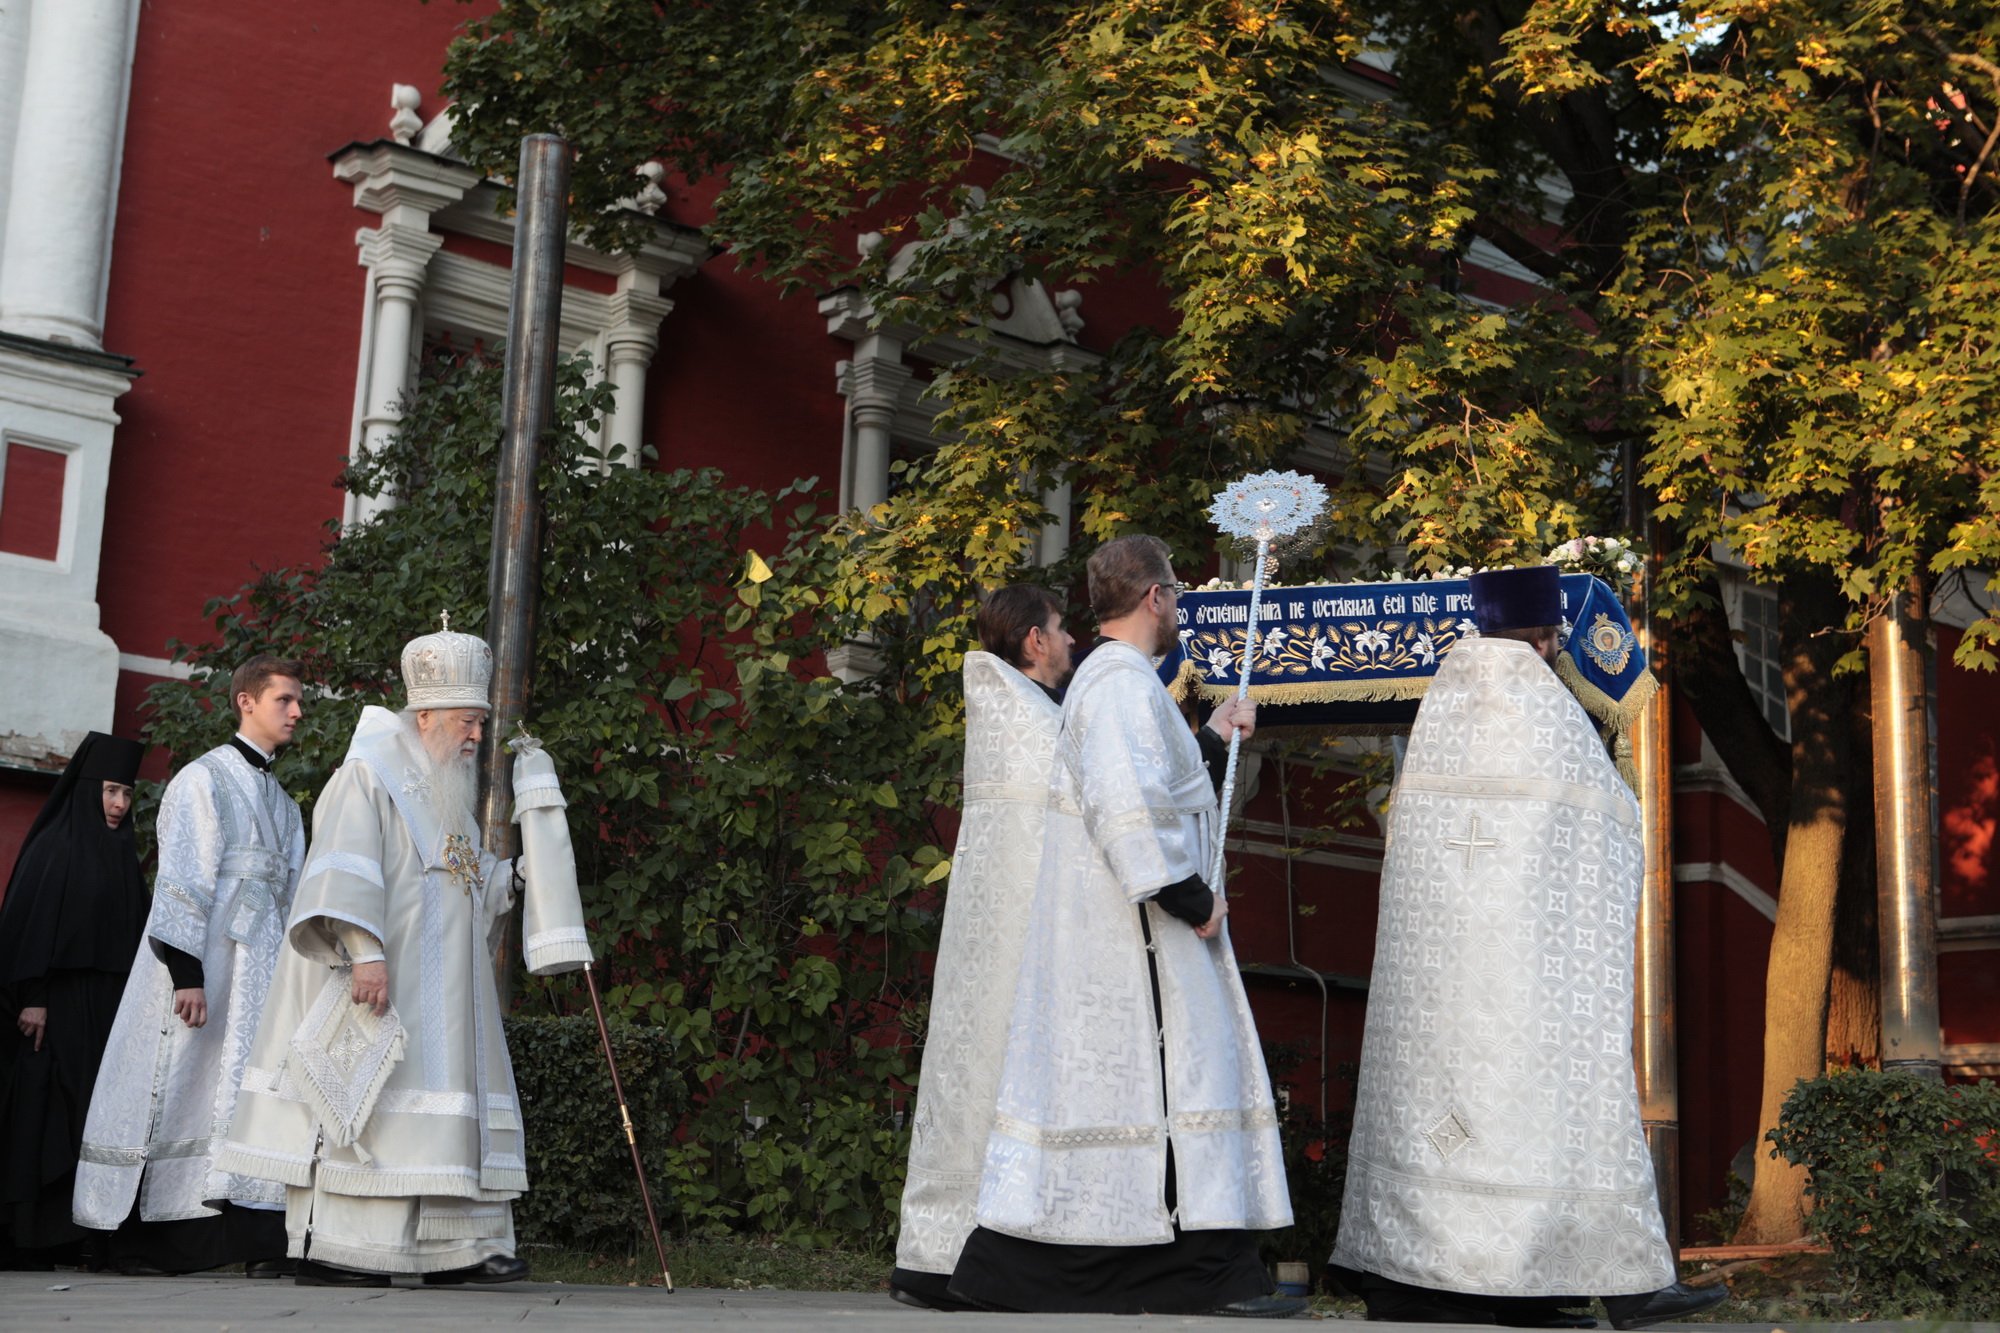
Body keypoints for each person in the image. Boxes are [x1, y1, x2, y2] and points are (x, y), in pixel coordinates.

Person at [1327, 565, 1725, 1330]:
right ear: (1545, 638)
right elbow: (1610, 822)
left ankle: (1450, 1287)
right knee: (1554, 1117)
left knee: (1447, 1129)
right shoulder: (1545, 709)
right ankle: (1621, 1287)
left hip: (1440, 985)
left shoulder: (1444, 705)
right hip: (1527, 977)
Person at [949, 534, 1299, 1318]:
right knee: (1174, 1084)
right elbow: (1124, 806)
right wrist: (1190, 896)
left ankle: (1195, 1271)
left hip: (1139, 934)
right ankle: (1200, 1272)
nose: (1179, 606)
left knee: (1162, 1098)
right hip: (1137, 937)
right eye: (1176, 592)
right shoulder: (1117, 683)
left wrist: (1214, 737)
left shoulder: (1125, 682)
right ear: (1153, 597)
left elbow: (1158, 783)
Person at [218, 618, 530, 1287]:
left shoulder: (446, 792)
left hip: (444, 996)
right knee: (365, 1110)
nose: (477, 736)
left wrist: (516, 879)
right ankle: (345, 1249)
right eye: (469, 722)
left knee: (437, 1115)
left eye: (481, 723)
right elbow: (342, 869)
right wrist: (365, 953)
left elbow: (466, 884)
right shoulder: (368, 776)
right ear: (428, 716)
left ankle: (452, 1250)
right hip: (381, 981)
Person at [73, 659, 305, 1276]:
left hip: (263, 974)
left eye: (298, 701)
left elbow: (294, 893)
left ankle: (248, 1235)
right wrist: (188, 974)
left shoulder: (285, 804)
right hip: (203, 966)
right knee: (181, 1083)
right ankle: (150, 1237)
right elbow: (181, 879)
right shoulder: (203, 779)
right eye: (284, 700)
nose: (297, 712)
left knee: (245, 1092)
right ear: (246, 701)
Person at [890, 585, 1074, 1310]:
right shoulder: (1035, 719)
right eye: (1061, 628)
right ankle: (975, 1258)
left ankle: (939, 1255)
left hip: (995, 939)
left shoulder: (1012, 711)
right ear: (1034, 640)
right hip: (1022, 940)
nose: (1071, 640)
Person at [0, 734, 146, 1268]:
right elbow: (26, 927)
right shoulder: (54, 848)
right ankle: (32, 1237)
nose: (119, 804)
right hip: (55, 1009)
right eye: (110, 791)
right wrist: (33, 996)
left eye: (126, 794)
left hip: (109, 1010)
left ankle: (86, 1233)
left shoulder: (122, 856)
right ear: (87, 790)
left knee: (95, 1116)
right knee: (49, 1113)